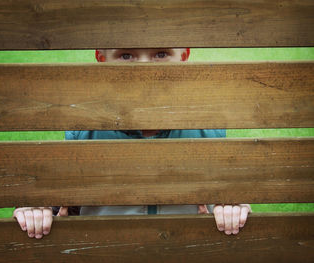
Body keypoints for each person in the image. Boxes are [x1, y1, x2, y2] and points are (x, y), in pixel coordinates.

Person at [14, 48, 251, 239]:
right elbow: (57, 200)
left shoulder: (205, 131)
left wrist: (232, 207)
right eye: (126, 55)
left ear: (184, 57)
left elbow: (229, 193)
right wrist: (37, 208)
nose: (144, 67)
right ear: (102, 59)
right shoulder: (84, 135)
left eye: (160, 54)